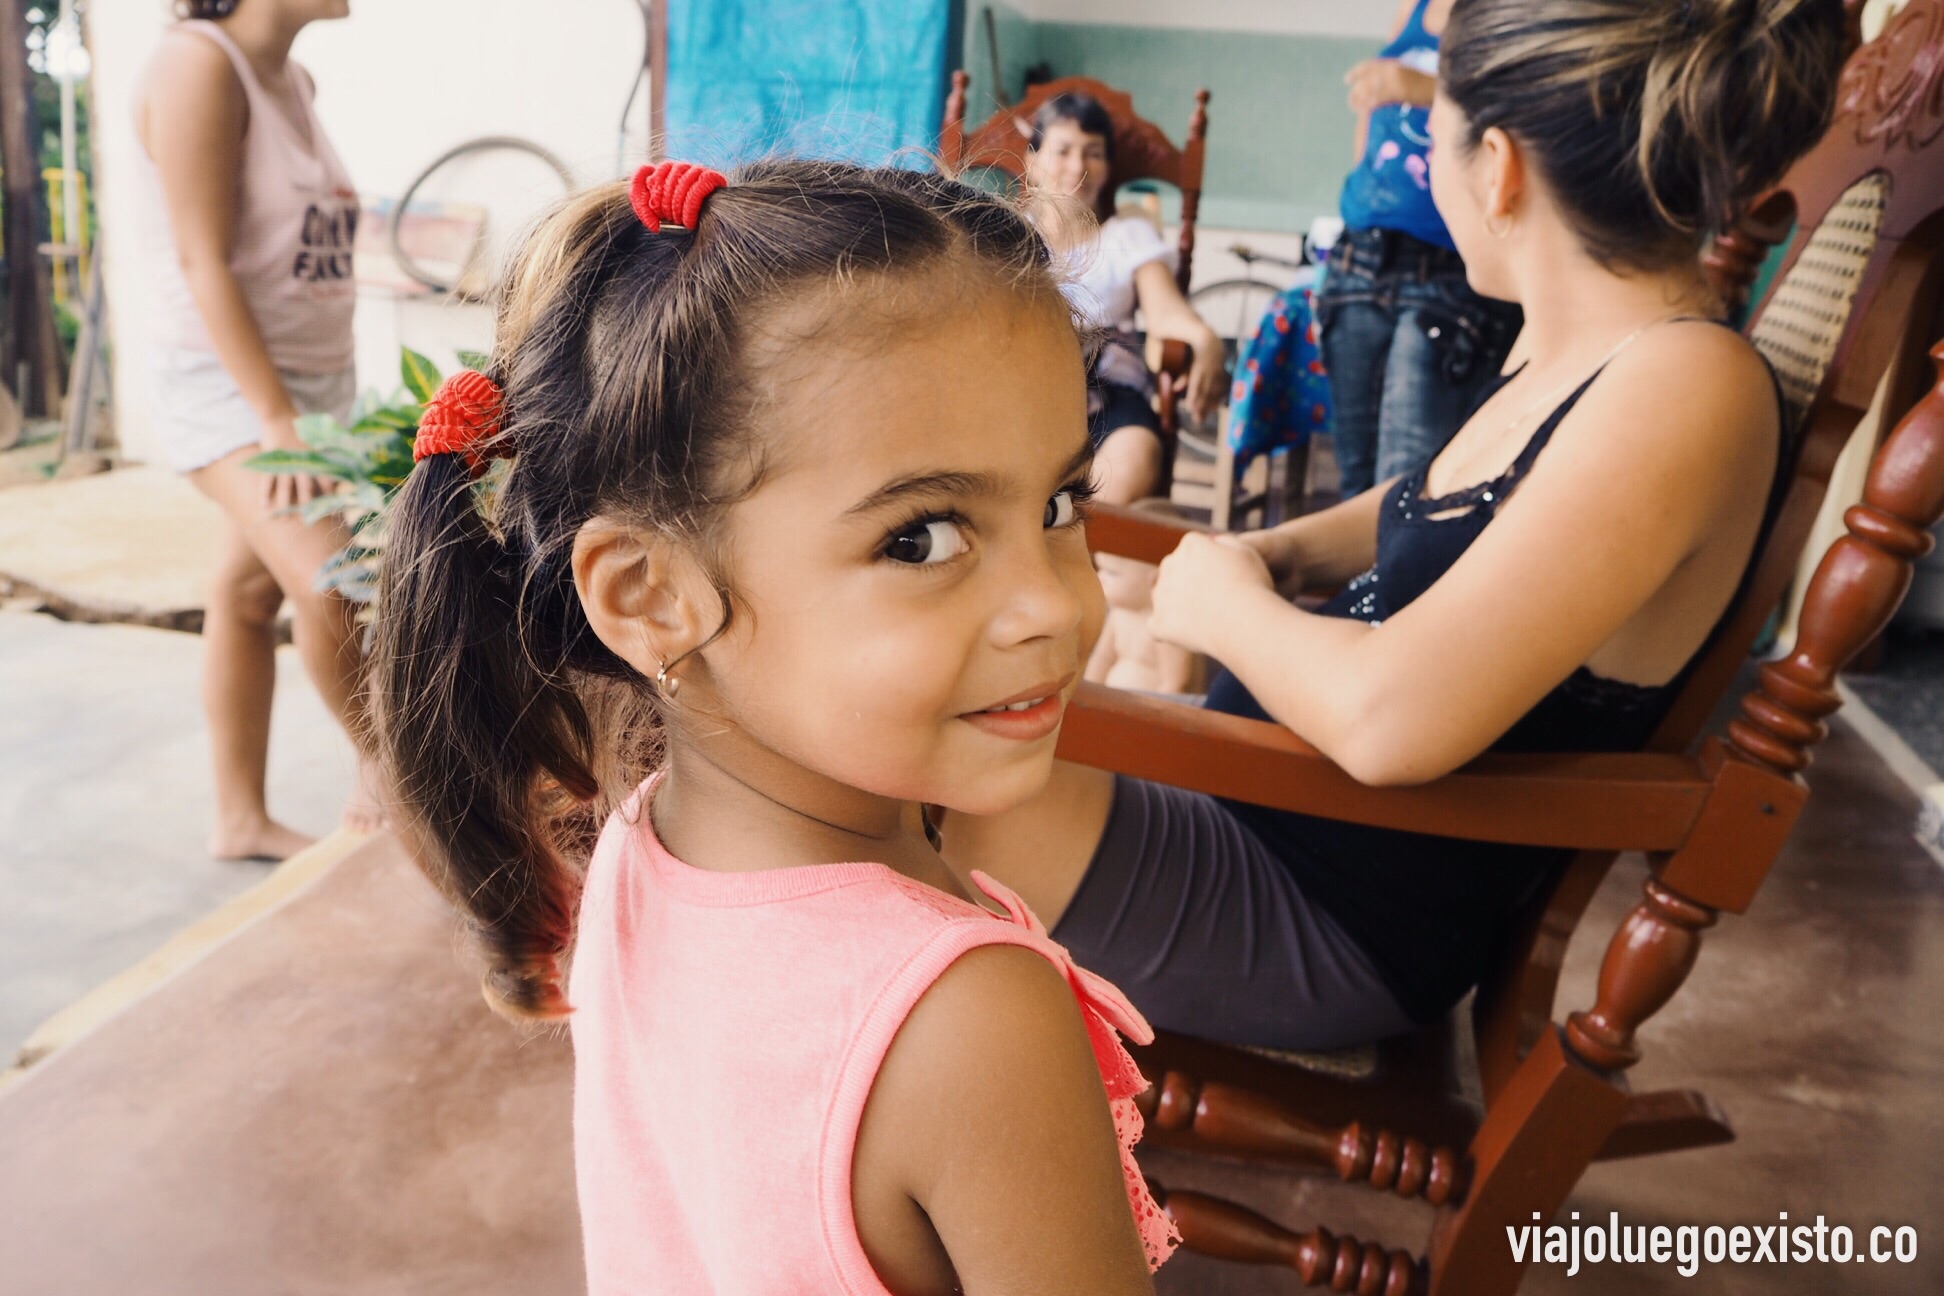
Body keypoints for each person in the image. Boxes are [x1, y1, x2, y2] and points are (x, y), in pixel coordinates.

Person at [942, 0, 1847, 1051]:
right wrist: (1277, 552)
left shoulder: (1683, 384)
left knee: (884, 743)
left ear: (1496, 167)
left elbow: (1387, 720)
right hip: (1258, 811)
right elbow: (1434, 501)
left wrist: (1225, 605)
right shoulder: (1585, 356)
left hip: (1313, 910)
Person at [368, 160, 1176, 1293]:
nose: (1056, 602)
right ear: (649, 594)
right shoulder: (969, 1019)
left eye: (1057, 505)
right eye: (922, 538)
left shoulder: (642, 849)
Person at [133, 0, 379, 859]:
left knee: (248, 595)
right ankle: (395, 783)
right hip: (231, 390)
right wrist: (279, 422)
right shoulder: (197, 63)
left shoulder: (295, 81)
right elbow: (202, 259)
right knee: (331, 580)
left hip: (312, 391)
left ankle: (239, 819)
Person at [1319, 0, 1525, 497]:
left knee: (1408, 482)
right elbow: (1374, 115)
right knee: (1356, 473)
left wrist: (1423, 89)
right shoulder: (1414, 8)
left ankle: (1402, 575)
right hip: (1363, 254)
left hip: (1449, 266)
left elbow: (1523, 109)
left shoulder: (1511, 11)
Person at [1022, 93, 1225, 504]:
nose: (1078, 167)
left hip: (1110, 396)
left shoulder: (1127, 235)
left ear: (1108, 167)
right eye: (1062, 151)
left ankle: (1085, 556)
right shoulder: (1007, 235)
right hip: (1023, 392)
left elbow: (1166, 312)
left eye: (1093, 153)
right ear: (1033, 162)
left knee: (1135, 458)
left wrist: (1205, 340)